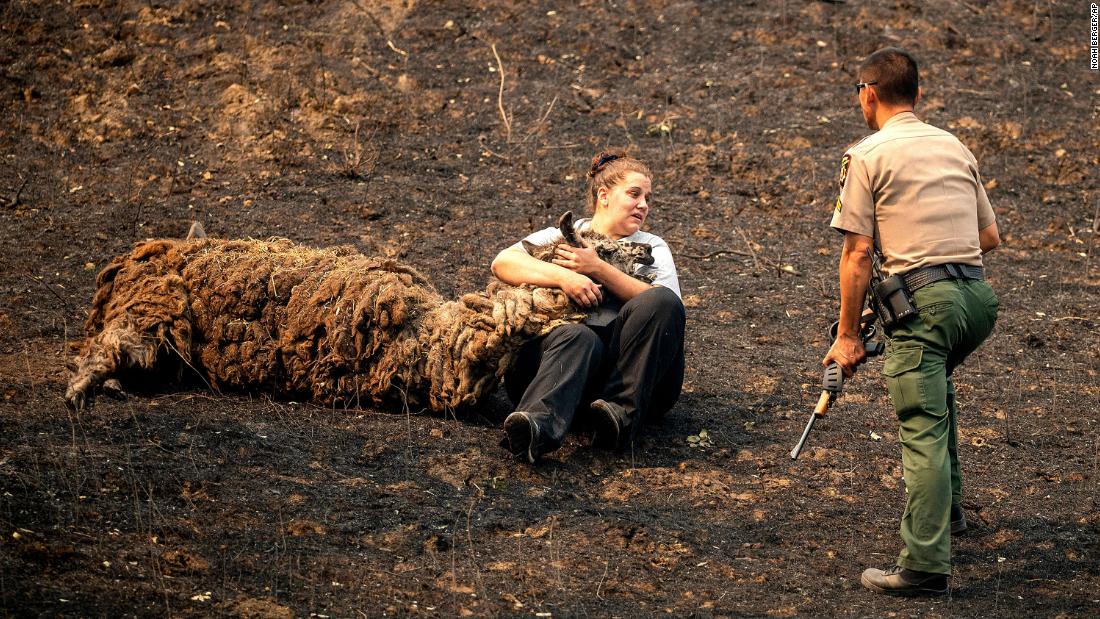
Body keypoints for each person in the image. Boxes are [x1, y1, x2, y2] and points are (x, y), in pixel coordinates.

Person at [823, 47, 1001, 596]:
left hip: (928, 308)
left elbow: (856, 253)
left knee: (920, 424)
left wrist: (848, 334)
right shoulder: (954, 145)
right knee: (935, 387)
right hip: (977, 301)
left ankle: (924, 566)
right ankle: (948, 516)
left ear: (867, 95)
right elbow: (989, 237)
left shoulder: (867, 154)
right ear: (918, 95)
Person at [492, 150, 685, 464]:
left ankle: (618, 417)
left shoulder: (653, 247)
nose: (644, 205)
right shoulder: (562, 234)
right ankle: (535, 427)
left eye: (648, 198)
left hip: (628, 377)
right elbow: (503, 262)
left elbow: (666, 306)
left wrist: (597, 268)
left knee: (661, 301)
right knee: (577, 336)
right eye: (634, 194)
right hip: (561, 367)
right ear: (604, 195)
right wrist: (566, 278)